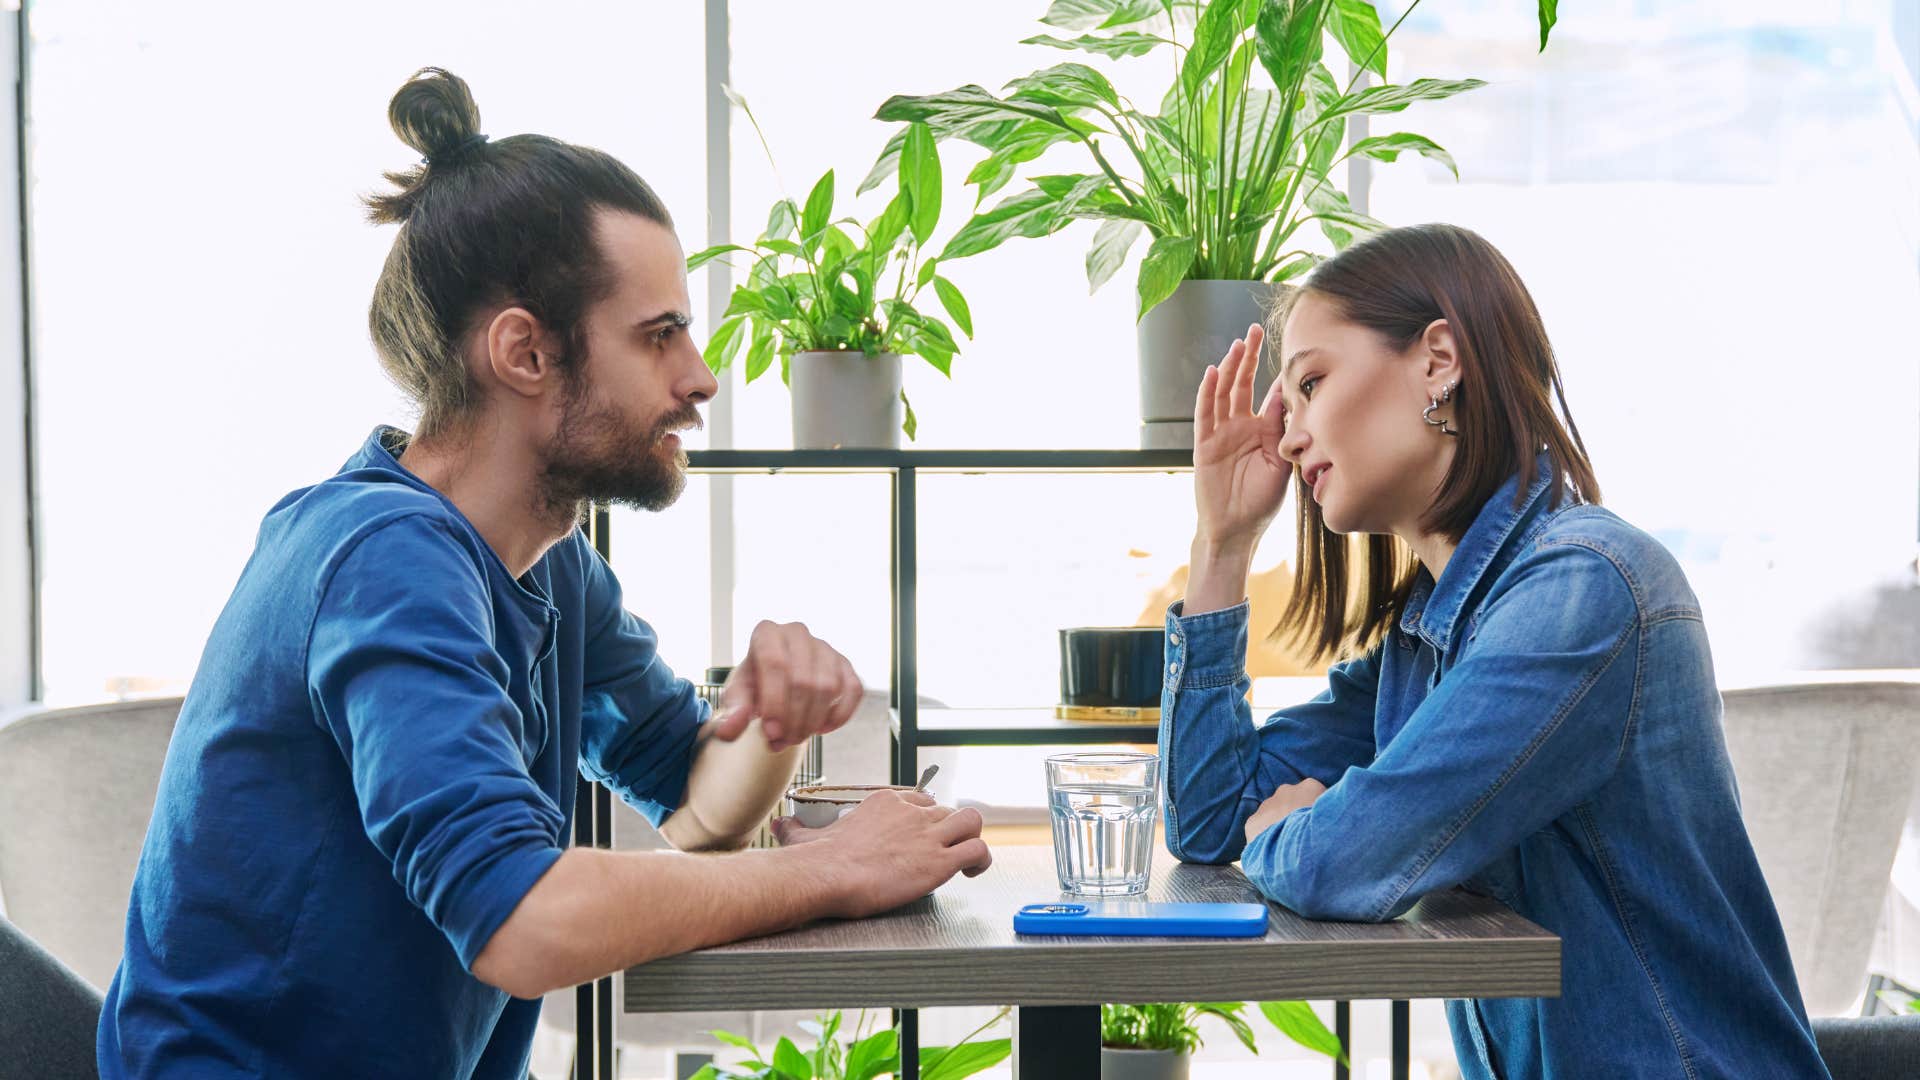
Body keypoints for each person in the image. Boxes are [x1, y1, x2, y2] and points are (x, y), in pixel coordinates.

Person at [97, 68, 991, 1079]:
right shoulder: (384, 558)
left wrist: (762, 729)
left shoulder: (551, 570)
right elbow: (521, 921)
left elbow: (695, 813)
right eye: (659, 336)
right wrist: (832, 869)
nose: (699, 377)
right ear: (524, 352)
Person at [1161, 223, 1828, 1078]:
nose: (1288, 439)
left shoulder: (1586, 590)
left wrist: (1294, 827)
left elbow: (1341, 860)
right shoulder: (1427, 639)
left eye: (1312, 384)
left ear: (1439, 359)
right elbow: (1210, 821)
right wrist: (1221, 547)